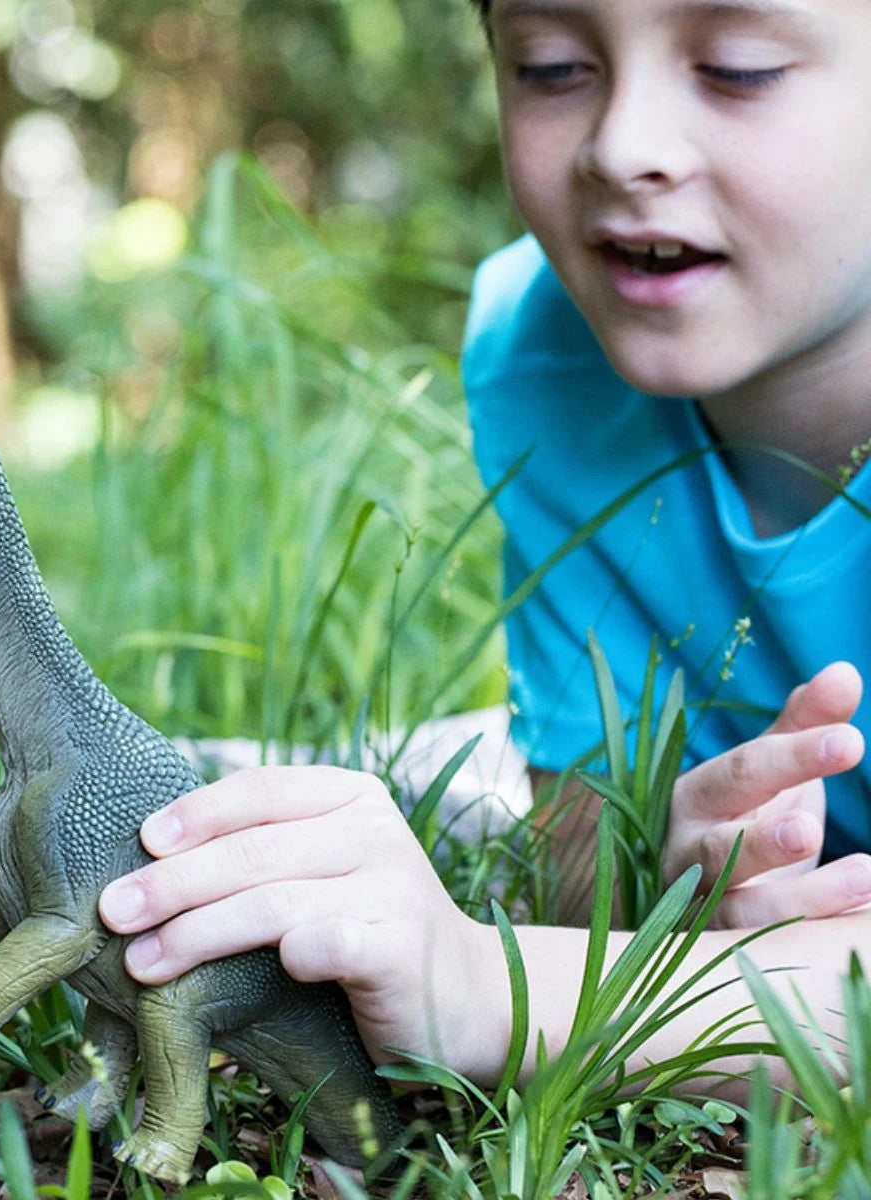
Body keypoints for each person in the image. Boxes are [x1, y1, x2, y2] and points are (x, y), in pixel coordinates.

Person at [97, 0, 871, 1095]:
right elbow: (580, 858)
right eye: (552, 66)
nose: (621, 145)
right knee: (485, 777)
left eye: (738, 67)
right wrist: (669, 885)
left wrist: (486, 987)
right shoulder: (554, 342)